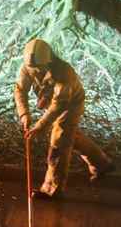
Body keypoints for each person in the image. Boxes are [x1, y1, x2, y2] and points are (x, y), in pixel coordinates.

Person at [14, 38, 115, 198]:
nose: (35, 71)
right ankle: (102, 163)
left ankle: (52, 190)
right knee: (70, 136)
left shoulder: (64, 72)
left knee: (59, 142)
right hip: (53, 104)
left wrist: (40, 125)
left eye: (39, 68)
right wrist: (24, 114)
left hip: (70, 105)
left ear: (48, 61)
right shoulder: (27, 68)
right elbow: (20, 90)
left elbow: (59, 104)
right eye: (32, 68)